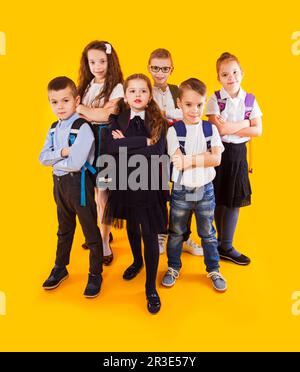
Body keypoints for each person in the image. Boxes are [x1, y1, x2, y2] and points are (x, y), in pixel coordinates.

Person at [104, 74, 169, 314]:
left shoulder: (158, 120)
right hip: (125, 181)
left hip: (150, 182)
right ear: (126, 95)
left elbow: (158, 153)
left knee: (149, 233)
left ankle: (150, 287)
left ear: (150, 96)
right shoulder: (118, 119)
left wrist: (127, 145)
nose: (138, 95)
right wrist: (143, 141)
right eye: (132, 91)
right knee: (132, 225)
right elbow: (110, 149)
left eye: (143, 91)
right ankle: (137, 261)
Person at [39, 76, 103, 298]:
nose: (60, 106)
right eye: (54, 102)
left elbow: (76, 163)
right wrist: (62, 153)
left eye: (65, 100)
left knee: (90, 231)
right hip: (59, 186)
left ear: (76, 100)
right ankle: (60, 267)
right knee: (64, 228)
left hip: (80, 185)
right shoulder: (54, 128)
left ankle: (95, 273)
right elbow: (42, 158)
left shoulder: (82, 127)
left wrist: (56, 160)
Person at [161, 78, 227, 292]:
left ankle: (214, 269)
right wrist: (202, 157)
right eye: (188, 104)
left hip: (205, 190)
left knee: (208, 233)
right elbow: (178, 161)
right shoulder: (174, 131)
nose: (194, 110)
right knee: (177, 232)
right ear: (179, 103)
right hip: (181, 190)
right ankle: (173, 267)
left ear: (204, 103)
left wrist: (191, 160)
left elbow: (216, 159)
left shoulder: (210, 129)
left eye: (199, 105)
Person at [206, 52, 263, 265]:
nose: (231, 78)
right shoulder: (214, 99)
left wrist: (236, 126)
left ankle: (227, 245)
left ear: (242, 73)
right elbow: (219, 129)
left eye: (235, 72)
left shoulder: (250, 100)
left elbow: (259, 130)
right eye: (225, 74)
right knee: (216, 198)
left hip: (239, 155)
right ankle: (215, 243)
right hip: (218, 153)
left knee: (234, 200)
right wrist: (247, 123)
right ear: (218, 77)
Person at [147, 48, 203, 256]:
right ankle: (161, 234)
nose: (159, 73)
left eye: (164, 68)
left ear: (171, 69)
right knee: (160, 191)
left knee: (184, 188)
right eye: (155, 68)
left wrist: (165, 113)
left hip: (179, 145)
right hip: (154, 147)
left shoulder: (177, 90)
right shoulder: (145, 89)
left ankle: (184, 236)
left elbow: (187, 111)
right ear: (149, 68)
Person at [77, 40, 124, 265]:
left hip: (106, 145)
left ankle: (104, 241)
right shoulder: (86, 85)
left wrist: (84, 110)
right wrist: (93, 113)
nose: (97, 66)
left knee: (104, 194)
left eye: (102, 61)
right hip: (87, 143)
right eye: (92, 61)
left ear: (110, 61)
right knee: (94, 192)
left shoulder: (116, 86)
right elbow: (79, 116)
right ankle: (100, 233)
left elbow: (107, 115)